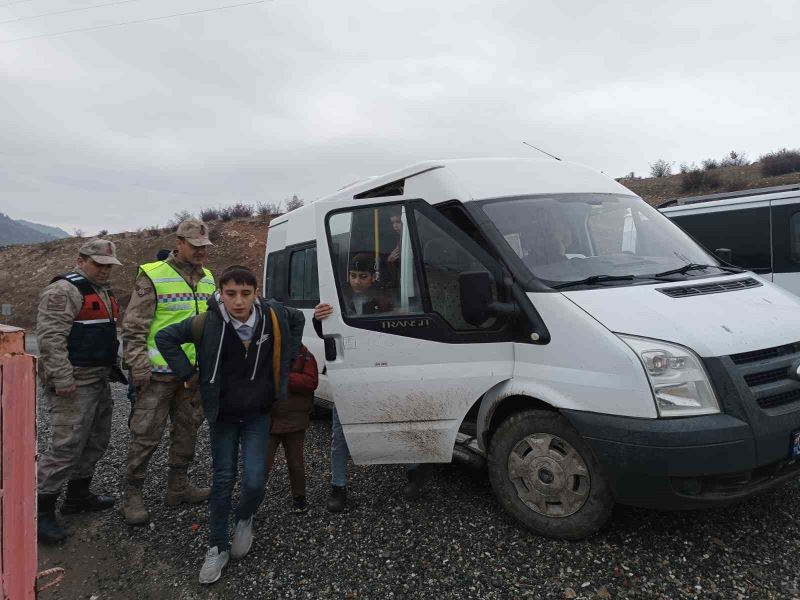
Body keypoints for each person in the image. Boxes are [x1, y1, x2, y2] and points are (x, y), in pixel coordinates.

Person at [155, 265, 304, 584]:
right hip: (222, 415)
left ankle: (245, 517)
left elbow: (299, 319)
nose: (238, 302)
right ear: (220, 293)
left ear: (256, 293)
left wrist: (286, 361)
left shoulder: (272, 315)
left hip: (257, 414)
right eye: (231, 294)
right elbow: (165, 336)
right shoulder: (207, 322)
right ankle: (216, 546)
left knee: (254, 480)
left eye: (246, 294)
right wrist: (187, 374)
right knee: (223, 480)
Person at [120, 219, 216, 525]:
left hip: (192, 376)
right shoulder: (153, 274)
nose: (201, 251)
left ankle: (178, 486)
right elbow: (134, 327)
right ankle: (132, 495)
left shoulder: (210, 278)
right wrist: (137, 365)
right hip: (156, 375)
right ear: (179, 243)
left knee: (188, 431)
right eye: (195, 246)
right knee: (146, 435)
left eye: (205, 246)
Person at [36, 239, 125, 543]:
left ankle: (77, 497)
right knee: (66, 445)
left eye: (108, 265)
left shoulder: (101, 291)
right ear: (81, 259)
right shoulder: (63, 291)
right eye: (98, 264)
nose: (104, 270)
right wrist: (62, 379)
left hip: (97, 378)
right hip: (74, 381)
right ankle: (42, 513)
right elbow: (50, 338)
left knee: (96, 440)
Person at [266, 343, 318, 513]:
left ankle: (299, 498)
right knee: (261, 464)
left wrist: (283, 377)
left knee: (296, 463)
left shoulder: (304, 354)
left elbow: (311, 382)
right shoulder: (261, 349)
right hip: (267, 420)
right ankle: (251, 501)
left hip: (294, 420)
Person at [125, 248, 172, 414]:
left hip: (186, 371)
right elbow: (134, 326)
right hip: (153, 368)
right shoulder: (151, 277)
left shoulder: (202, 278)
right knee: (145, 422)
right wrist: (139, 365)